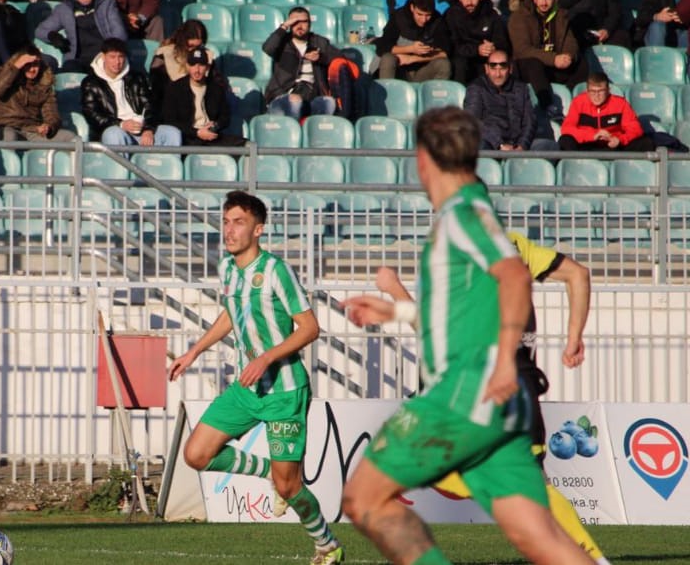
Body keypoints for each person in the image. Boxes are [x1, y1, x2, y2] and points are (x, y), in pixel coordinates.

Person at [341, 106, 595, 565]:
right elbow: (463, 313)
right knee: (542, 539)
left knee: (364, 499)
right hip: (502, 404)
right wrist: (396, 310)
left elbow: (514, 277)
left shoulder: (463, 215)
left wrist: (501, 361)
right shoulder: (473, 208)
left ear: (422, 159)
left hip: (465, 391)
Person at [374, 238, 613, 565]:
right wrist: (573, 338)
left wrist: (394, 290)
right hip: (520, 382)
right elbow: (578, 274)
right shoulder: (516, 245)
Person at [168, 190, 345, 565]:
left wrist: (266, 357)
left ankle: (327, 544)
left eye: (239, 223)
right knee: (197, 455)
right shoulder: (228, 269)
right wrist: (194, 351)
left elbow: (310, 328)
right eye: (226, 221)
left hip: (284, 391)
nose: (229, 230)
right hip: (247, 388)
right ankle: (266, 471)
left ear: (258, 230)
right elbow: (232, 313)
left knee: (290, 485)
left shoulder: (277, 271)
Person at [80, 37, 182, 146]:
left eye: (121, 57)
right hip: (114, 129)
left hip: (141, 129)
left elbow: (150, 106)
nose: (117, 62)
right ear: (104, 57)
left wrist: (148, 129)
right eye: (112, 57)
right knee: (114, 134)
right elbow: (92, 114)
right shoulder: (91, 83)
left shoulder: (137, 78)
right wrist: (121, 124)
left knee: (172, 133)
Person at [263, 6, 359, 121]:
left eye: (304, 22)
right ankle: (294, 134)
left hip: (311, 95)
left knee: (329, 103)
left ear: (310, 24)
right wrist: (283, 27)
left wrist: (321, 58)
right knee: (295, 101)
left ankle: (312, 133)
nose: (299, 26)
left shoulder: (319, 42)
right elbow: (268, 48)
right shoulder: (282, 42)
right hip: (282, 95)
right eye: (295, 22)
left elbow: (339, 58)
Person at [508, 0, 587, 118]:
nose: (544, 3)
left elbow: (570, 41)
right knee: (534, 63)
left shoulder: (561, 15)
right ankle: (548, 105)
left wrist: (568, 56)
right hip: (527, 66)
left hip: (553, 64)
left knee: (581, 62)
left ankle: (577, 106)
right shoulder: (520, 16)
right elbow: (522, 49)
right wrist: (553, 59)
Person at [35, 0, 127, 72]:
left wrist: (108, 54)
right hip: (77, 59)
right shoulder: (64, 9)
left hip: (102, 57)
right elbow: (40, 31)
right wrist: (52, 36)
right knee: (69, 68)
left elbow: (119, 34)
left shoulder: (107, 5)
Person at [464, 50, 554, 151]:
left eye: (503, 68)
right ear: (487, 69)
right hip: (491, 144)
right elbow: (473, 121)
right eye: (493, 68)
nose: (498, 74)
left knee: (548, 146)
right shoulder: (477, 88)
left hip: (517, 144)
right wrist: (500, 145)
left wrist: (522, 146)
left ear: (510, 69)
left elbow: (529, 121)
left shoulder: (521, 88)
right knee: (480, 145)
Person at [0, 46, 79, 142]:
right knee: (9, 135)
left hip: (32, 130)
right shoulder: (5, 74)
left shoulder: (44, 84)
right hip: (6, 125)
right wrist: (15, 67)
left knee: (69, 137)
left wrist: (48, 126)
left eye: (35, 65)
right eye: (27, 65)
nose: (32, 69)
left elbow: (51, 113)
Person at [158, 45, 245, 145]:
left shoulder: (216, 88)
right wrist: (197, 132)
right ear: (187, 66)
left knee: (246, 146)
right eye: (193, 65)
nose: (197, 70)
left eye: (201, 65)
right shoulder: (175, 88)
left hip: (211, 135)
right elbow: (169, 120)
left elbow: (225, 117)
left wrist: (215, 125)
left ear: (207, 67)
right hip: (186, 138)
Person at [558, 72, 656, 152]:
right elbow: (567, 128)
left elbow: (635, 129)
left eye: (600, 91)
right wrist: (592, 136)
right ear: (587, 91)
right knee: (565, 140)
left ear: (608, 90)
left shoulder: (620, 103)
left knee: (645, 142)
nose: (597, 96)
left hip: (613, 145)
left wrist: (619, 139)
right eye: (593, 91)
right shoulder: (578, 102)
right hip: (587, 144)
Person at [375, 0, 452, 82]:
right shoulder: (398, 17)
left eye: (428, 15)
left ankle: (436, 94)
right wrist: (410, 49)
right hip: (399, 69)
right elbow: (382, 47)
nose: (424, 20)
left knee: (444, 64)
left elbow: (445, 51)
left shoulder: (437, 20)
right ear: (412, 8)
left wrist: (412, 59)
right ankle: (389, 92)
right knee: (388, 59)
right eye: (419, 14)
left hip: (423, 70)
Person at [445, 0, 510, 84]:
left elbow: (503, 42)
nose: (469, 2)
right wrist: (476, 49)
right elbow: (452, 45)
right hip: (463, 59)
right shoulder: (451, 15)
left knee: (499, 62)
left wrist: (493, 48)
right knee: (460, 63)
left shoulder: (491, 14)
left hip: (486, 58)